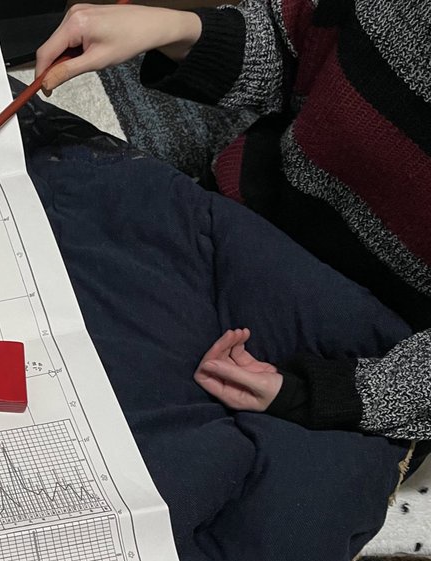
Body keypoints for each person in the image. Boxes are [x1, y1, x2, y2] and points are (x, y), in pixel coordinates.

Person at [33, 0, 430, 443]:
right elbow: (293, 44)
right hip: (238, 210)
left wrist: (318, 395)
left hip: (364, 354)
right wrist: (179, 29)